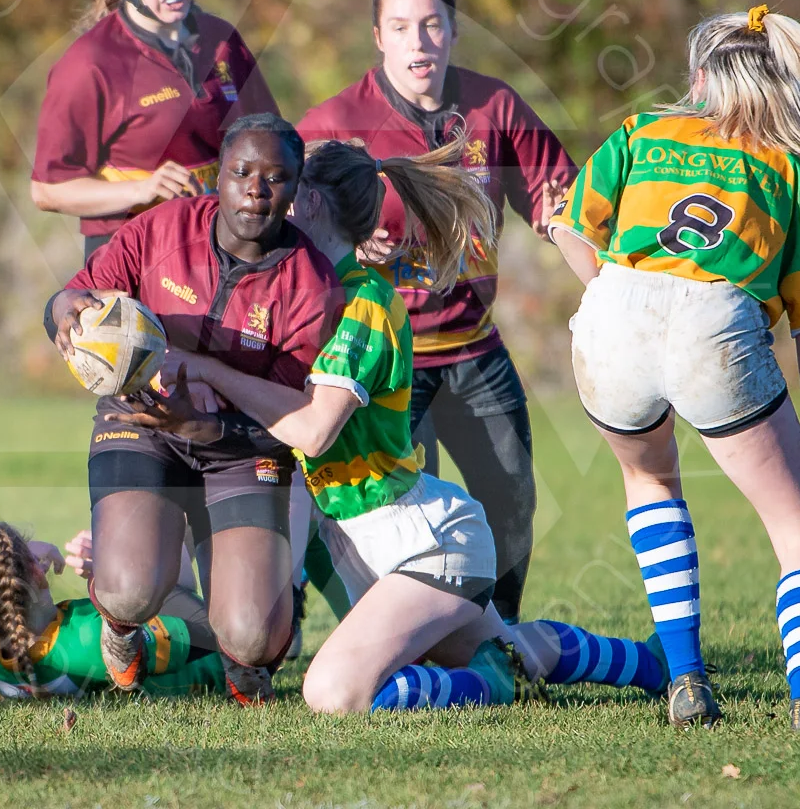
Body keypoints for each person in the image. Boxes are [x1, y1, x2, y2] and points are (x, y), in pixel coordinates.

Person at [120, 139, 668, 713]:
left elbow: (312, 430)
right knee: (502, 648)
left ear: (309, 201)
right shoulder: (304, 293)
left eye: (289, 186)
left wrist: (207, 368)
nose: (273, 198)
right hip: (372, 544)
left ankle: (494, 690)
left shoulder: (365, 304)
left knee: (334, 691)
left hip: (425, 543)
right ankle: (648, 662)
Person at [548, 5, 800, 734]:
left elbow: (572, 228)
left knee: (648, 479)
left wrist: (622, 309)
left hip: (612, 311)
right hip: (716, 321)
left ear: (700, 76)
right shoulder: (791, 169)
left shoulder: (644, 131)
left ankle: (686, 679)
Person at [296, 0, 577, 622]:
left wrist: (609, 290)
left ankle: (497, 633)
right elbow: (291, 226)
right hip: (386, 357)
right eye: (401, 27)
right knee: (403, 514)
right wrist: (345, 240)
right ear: (378, 37)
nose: (418, 41)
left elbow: (559, 206)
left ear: (453, 30)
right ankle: (413, 635)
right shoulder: (336, 121)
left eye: (431, 24)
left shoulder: (494, 107)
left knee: (510, 500)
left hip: (476, 349)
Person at [43, 113, 341, 704]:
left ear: (297, 188)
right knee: (129, 589)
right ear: (219, 177)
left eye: (276, 177)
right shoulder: (162, 230)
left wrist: (203, 425)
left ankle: (246, 667)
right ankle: (121, 629)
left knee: (253, 635)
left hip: (242, 448)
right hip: (140, 426)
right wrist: (62, 308)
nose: (256, 190)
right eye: (241, 173)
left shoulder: (312, 285)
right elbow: (72, 293)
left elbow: (288, 423)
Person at [31, 0, 279, 260]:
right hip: (133, 262)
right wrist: (141, 190)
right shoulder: (89, 64)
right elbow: (47, 191)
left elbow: (276, 140)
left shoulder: (222, 39)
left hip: (226, 254)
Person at [0, 523, 225, 699]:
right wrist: (119, 573)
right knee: (164, 521)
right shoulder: (95, 635)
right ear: (36, 571)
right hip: (215, 668)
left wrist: (22, 560)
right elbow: (210, 634)